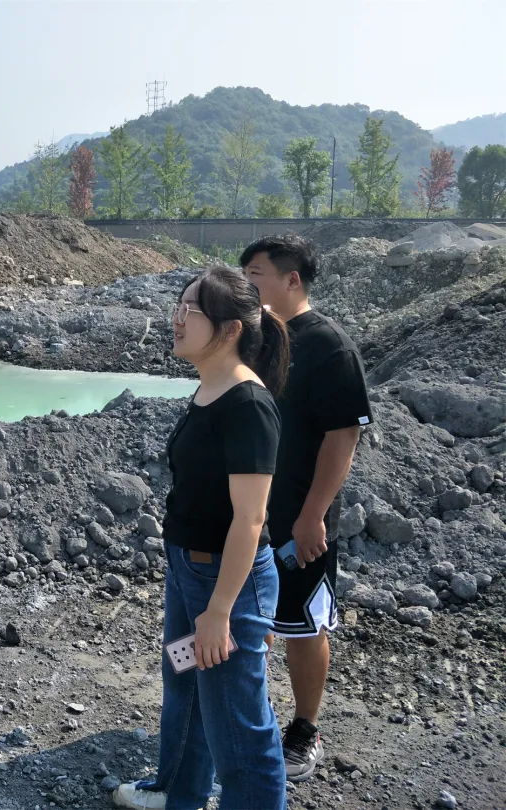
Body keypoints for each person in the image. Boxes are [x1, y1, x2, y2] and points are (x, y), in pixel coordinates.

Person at [113, 266, 290, 810]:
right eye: (179, 306)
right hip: (189, 570)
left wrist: (219, 611)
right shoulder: (210, 388)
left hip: (227, 584)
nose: (177, 318)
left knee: (239, 725)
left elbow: (250, 519)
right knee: (185, 689)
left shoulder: (248, 405)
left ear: (231, 329)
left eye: (190, 310)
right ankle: (177, 793)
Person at [240, 234, 372, 782]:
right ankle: (247, 717)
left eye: (256, 275)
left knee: (301, 625)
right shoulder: (256, 339)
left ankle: (304, 728)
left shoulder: (330, 347)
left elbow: (343, 437)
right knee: (248, 617)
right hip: (249, 512)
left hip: (299, 516)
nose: (247, 284)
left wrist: (313, 515)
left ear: (292, 279)